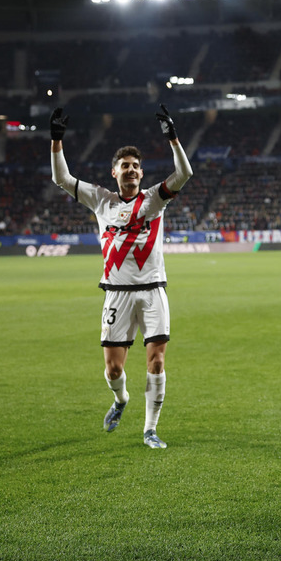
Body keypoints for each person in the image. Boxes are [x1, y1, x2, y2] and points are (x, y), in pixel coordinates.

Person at [49, 105, 193, 449]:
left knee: (156, 359)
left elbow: (184, 173)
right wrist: (56, 141)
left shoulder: (154, 199)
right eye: (125, 166)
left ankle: (150, 429)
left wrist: (172, 137)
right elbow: (61, 180)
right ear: (114, 172)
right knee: (114, 369)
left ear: (141, 174)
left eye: (136, 166)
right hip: (116, 293)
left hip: (153, 291)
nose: (131, 170)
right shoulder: (101, 200)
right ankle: (121, 399)